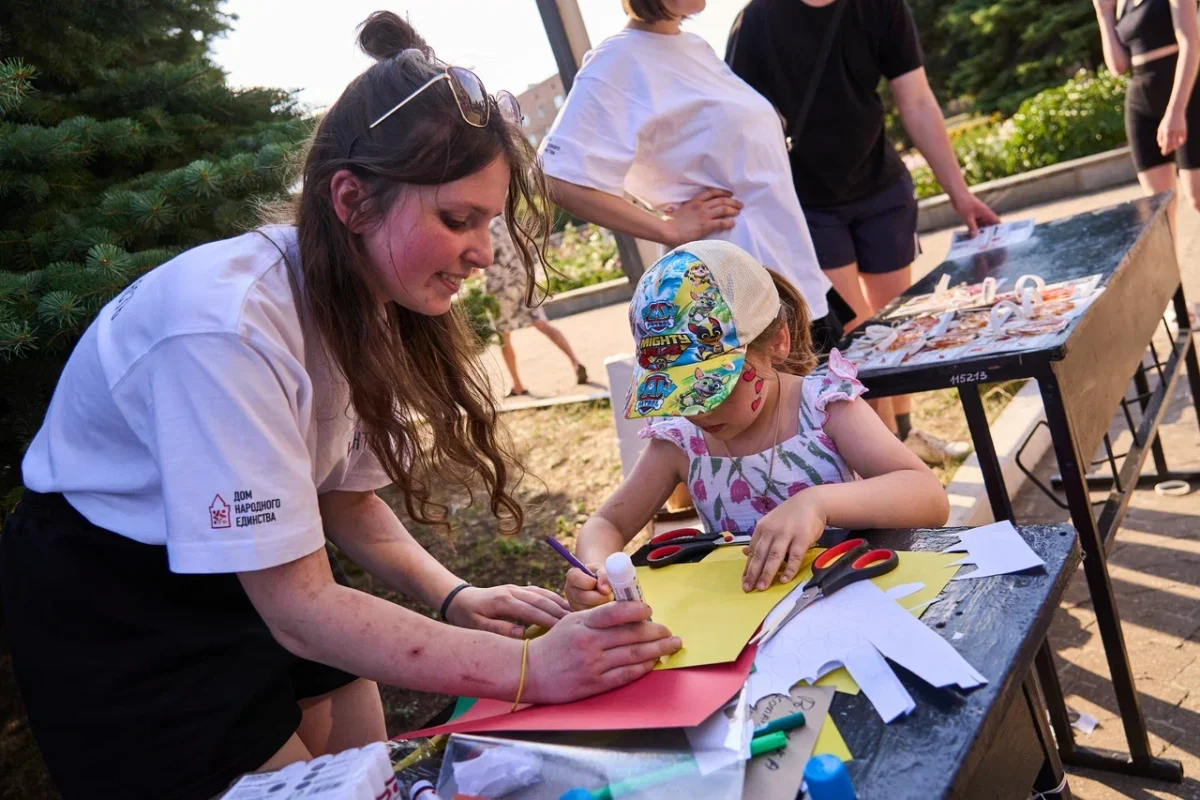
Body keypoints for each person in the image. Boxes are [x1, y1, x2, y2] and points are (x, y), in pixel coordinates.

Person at [0, 13, 680, 799]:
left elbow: (344, 498)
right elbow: (300, 608)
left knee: (367, 773)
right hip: (118, 599)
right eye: (458, 219)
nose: (484, 252)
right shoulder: (224, 331)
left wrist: (453, 596)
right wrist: (529, 669)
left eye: (489, 223)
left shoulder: (370, 303)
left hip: (266, 572)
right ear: (352, 200)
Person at [563, 241, 949, 609]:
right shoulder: (680, 444)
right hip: (745, 632)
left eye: (717, 386)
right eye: (682, 393)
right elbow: (607, 522)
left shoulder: (823, 408)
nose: (700, 412)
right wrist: (597, 568)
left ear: (778, 342)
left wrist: (818, 503)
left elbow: (929, 498)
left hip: (852, 600)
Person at [726, 0, 1000, 464]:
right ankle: (890, 460)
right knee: (856, 340)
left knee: (895, 328)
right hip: (808, 205)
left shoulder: (882, 7)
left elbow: (916, 101)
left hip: (881, 190)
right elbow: (730, 120)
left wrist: (960, 195)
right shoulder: (756, 21)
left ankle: (905, 436)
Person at [538, 0, 852, 358]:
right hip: (736, 299)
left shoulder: (693, 46)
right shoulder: (619, 60)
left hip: (791, 276)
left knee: (830, 405)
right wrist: (668, 229)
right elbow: (557, 178)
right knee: (789, 411)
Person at [1094, 0, 1200, 229]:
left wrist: (1176, 110)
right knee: (1159, 211)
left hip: (1186, 96)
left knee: (1197, 196)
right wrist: (1104, 14)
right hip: (1141, 103)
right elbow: (1118, 67)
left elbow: (1191, 44)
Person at [486, 215, 589, 397]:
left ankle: (517, 386)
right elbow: (524, 244)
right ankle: (575, 362)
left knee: (504, 336)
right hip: (523, 280)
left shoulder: (481, 225)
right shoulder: (506, 220)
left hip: (500, 286)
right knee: (541, 323)